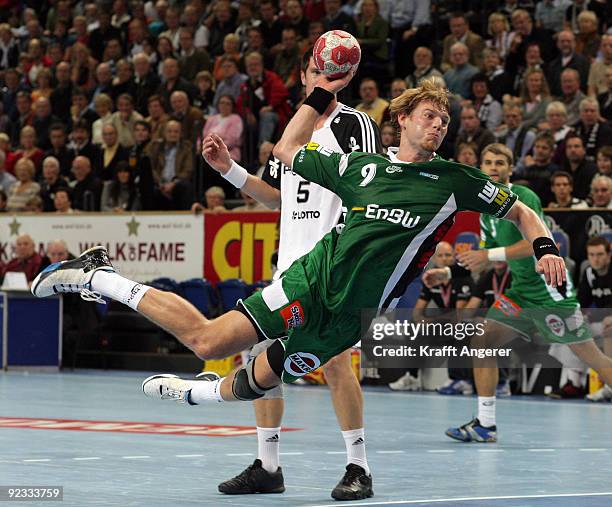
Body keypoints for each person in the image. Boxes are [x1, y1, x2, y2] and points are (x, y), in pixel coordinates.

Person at [31, 77, 569, 479]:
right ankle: (99, 277)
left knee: (253, 383)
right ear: (401, 121)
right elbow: (285, 153)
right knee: (207, 338)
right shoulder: (365, 170)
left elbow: (520, 210)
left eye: (444, 120)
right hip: (308, 280)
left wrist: (544, 245)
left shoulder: (452, 180)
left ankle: (206, 398)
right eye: (429, 115)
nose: (439, 124)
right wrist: (314, 96)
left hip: (345, 319)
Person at [211, 50, 381, 500]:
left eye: (329, 71)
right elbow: (275, 197)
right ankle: (268, 466)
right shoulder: (293, 131)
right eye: (314, 71)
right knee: (263, 356)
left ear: (340, 77)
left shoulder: (354, 124)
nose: (321, 77)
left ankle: (358, 467)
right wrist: (228, 170)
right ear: (305, 75)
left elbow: (366, 186)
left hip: (334, 266)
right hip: (289, 267)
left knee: (335, 362)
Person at [430, 143, 611, 442]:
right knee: (483, 340)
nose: (493, 167)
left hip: (549, 294)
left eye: (500, 162)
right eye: (487, 162)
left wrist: (488, 256)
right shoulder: (486, 210)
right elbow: (485, 258)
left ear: (510, 168)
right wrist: (448, 273)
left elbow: (535, 243)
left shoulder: (524, 198)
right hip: (520, 294)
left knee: (593, 358)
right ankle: (485, 425)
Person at [578, 236, 612, 402]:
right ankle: (572, 383)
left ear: (609, 255)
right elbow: (581, 303)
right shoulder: (589, 273)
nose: (595, 259)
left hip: (609, 323)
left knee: (609, 331)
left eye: (599, 254)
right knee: (571, 331)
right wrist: (580, 317)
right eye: (591, 255)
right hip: (599, 321)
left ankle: (609, 386)